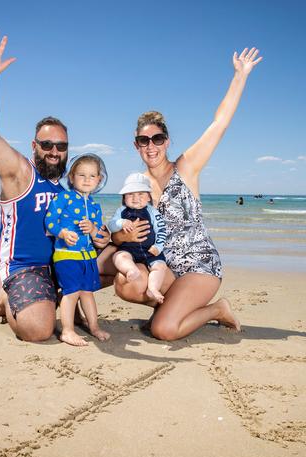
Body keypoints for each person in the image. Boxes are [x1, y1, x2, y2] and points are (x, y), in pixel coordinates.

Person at [100, 47, 262, 340]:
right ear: (136, 145)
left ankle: (216, 309)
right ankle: (169, 306)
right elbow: (123, 230)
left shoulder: (186, 168)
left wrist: (240, 76)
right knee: (126, 284)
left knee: (164, 330)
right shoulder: (137, 188)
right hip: (166, 268)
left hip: (199, 266)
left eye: (157, 139)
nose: (151, 146)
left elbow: (219, 123)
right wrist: (120, 236)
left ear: (167, 140)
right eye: (143, 140)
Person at [0, 31, 68, 342]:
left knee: (114, 258)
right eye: (47, 144)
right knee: (38, 330)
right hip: (24, 269)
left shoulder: (65, 190)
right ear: (34, 146)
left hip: (57, 267)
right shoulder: (20, 174)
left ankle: (52, 298)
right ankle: (10, 297)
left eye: (61, 146)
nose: (55, 151)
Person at [45, 154, 110, 346]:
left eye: (92, 176)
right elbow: (49, 222)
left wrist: (93, 230)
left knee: (87, 293)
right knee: (71, 292)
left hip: (88, 257)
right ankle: (67, 330)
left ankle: (94, 327)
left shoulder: (95, 206)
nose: (87, 180)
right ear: (72, 177)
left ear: (99, 180)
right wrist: (63, 233)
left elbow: (99, 237)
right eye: (82, 175)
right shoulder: (64, 197)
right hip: (66, 256)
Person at [107, 173, 169, 303]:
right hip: (128, 249)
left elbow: (162, 230)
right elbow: (111, 225)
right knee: (119, 257)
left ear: (148, 197)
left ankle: (152, 288)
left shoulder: (153, 212)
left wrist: (158, 246)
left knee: (160, 267)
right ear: (124, 197)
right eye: (130, 194)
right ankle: (131, 270)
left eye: (141, 194)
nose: (136, 198)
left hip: (150, 251)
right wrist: (121, 223)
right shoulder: (121, 211)